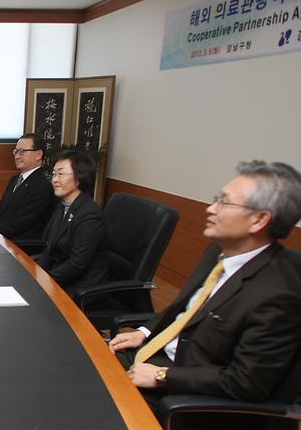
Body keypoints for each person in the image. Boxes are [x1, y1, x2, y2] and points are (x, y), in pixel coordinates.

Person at [110, 161, 301, 404]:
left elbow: (246, 382)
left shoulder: (278, 294)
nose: (210, 209)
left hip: (183, 393)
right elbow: (185, 307)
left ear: (259, 220)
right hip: (154, 354)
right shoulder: (217, 251)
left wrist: (163, 375)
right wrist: (145, 332)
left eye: (224, 202)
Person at [32, 150, 109, 299]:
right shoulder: (63, 206)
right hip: (63, 278)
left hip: (82, 289)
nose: (55, 179)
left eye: (61, 174)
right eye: (54, 174)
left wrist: (44, 279)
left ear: (80, 178)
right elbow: (50, 250)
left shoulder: (90, 215)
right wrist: (35, 273)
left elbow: (77, 265)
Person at [0, 133, 56, 242]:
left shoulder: (42, 186)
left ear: (38, 154)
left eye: (22, 152)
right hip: (1, 238)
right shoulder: (14, 180)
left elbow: (20, 223)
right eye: (16, 151)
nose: (17, 156)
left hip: (20, 245)